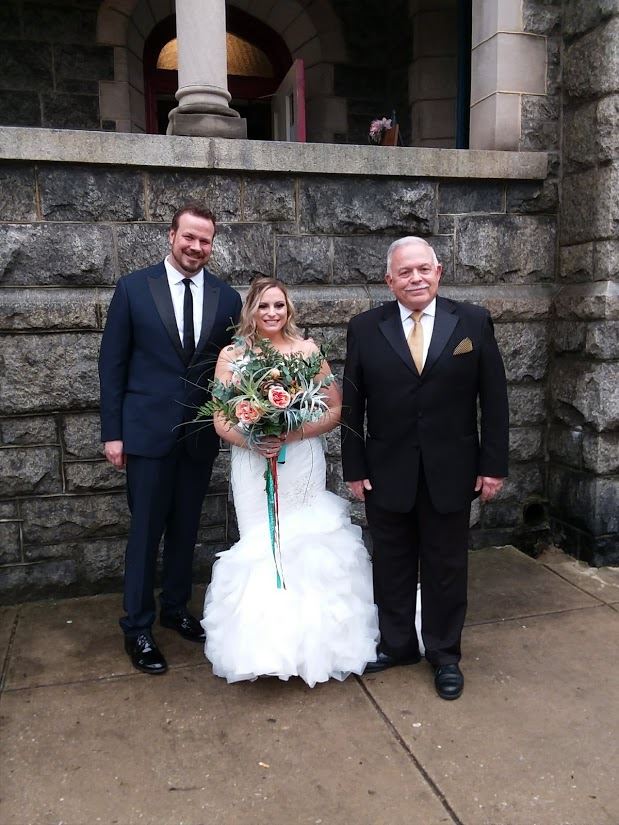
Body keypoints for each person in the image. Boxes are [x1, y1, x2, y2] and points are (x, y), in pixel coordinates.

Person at [341, 237, 509, 699]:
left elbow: (494, 399)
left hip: (452, 470)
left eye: (423, 269)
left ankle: (444, 654)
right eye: (405, 272)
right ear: (389, 280)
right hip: (385, 470)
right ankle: (397, 646)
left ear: (438, 272)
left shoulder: (472, 321)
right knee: (391, 563)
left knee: (445, 566)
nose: (415, 278)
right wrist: (353, 467)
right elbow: (352, 405)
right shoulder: (365, 328)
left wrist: (493, 465)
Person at [202, 277, 379, 687]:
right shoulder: (232, 355)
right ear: (251, 310)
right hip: (252, 462)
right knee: (261, 543)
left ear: (289, 309)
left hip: (301, 459)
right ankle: (264, 648)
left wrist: (292, 432)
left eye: (278, 305)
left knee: (305, 543)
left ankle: (315, 646)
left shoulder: (307, 351)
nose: (271, 313)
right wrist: (253, 437)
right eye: (263, 306)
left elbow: (334, 410)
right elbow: (220, 418)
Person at [99, 203, 242, 675]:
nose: (196, 247)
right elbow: (112, 365)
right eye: (189, 237)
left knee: (186, 528)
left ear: (212, 244)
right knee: (145, 533)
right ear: (171, 235)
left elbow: (233, 367)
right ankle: (137, 626)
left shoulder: (226, 298)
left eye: (205, 240)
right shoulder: (133, 289)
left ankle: (176, 608)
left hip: (198, 436)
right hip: (145, 434)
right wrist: (113, 433)